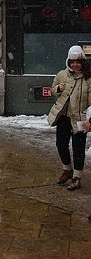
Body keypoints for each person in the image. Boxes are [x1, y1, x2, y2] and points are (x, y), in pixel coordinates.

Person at [47, 45, 91, 191]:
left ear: (83, 62)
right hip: (64, 117)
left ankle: (77, 177)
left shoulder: (88, 78)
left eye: (78, 61)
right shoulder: (62, 74)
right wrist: (58, 89)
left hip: (80, 119)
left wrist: (89, 120)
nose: (75, 64)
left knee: (78, 149)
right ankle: (67, 170)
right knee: (61, 145)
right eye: (72, 62)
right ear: (68, 62)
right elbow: (53, 91)